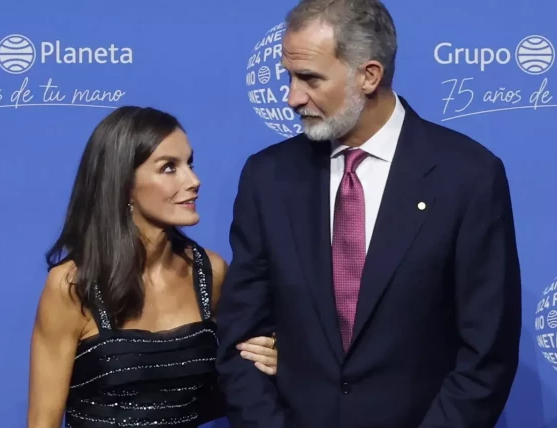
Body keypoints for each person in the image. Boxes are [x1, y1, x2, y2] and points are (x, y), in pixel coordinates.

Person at [215, 0, 522, 427]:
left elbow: (487, 353)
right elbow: (241, 342)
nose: (291, 97)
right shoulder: (268, 178)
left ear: (369, 75)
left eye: (309, 79)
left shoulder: (467, 177)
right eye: (288, 76)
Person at [27, 106, 279, 428]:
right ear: (124, 184)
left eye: (190, 164)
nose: (194, 180)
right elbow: (42, 422)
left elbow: (241, 374)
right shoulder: (74, 286)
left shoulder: (210, 273)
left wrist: (276, 358)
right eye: (169, 168)